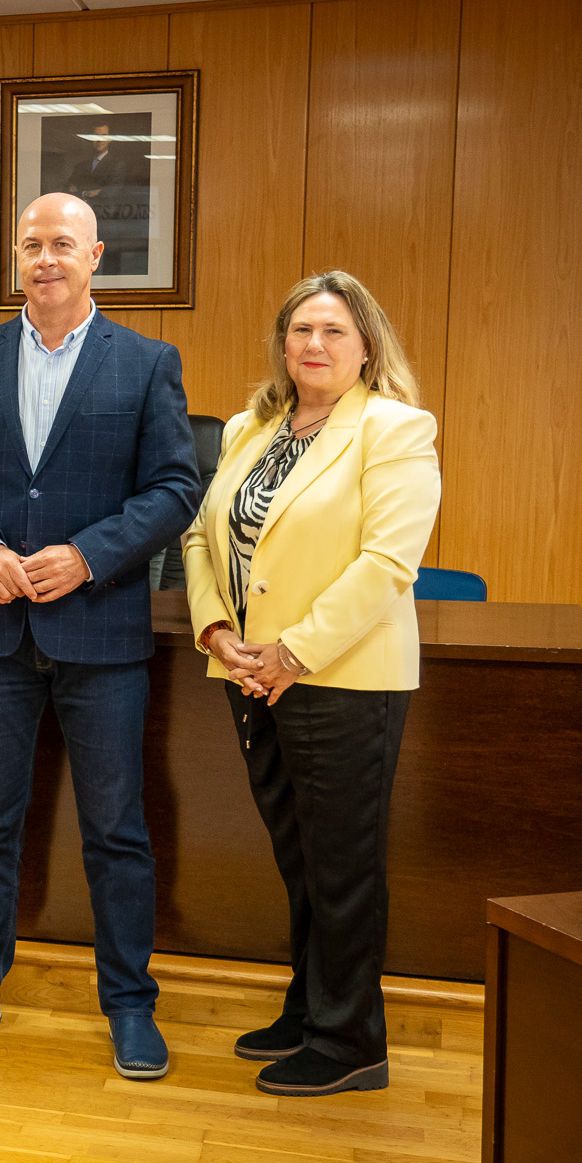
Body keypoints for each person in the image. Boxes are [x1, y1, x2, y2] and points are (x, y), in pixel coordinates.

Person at [0, 192, 200, 1076]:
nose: (46, 258)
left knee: (115, 826)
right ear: (16, 256)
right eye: (32, 244)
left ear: (95, 256)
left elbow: (175, 488)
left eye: (63, 244)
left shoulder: (146, 362)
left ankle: (129, 1003)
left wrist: (87, 555)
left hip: (102, 631)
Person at [181, 271, 441, 1098]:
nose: (315, 344)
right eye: (301, 330)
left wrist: (293, 652)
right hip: (252, 676)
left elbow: (387, 563)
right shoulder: (248, 428)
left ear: (367, 346)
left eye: (334, 331)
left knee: (343, 866)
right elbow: (201, 536)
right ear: (282, 344)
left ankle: (352, 1039)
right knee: (300, 859)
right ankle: (310, 1009)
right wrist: (215, 628)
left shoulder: (395, 428)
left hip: (340, 681)